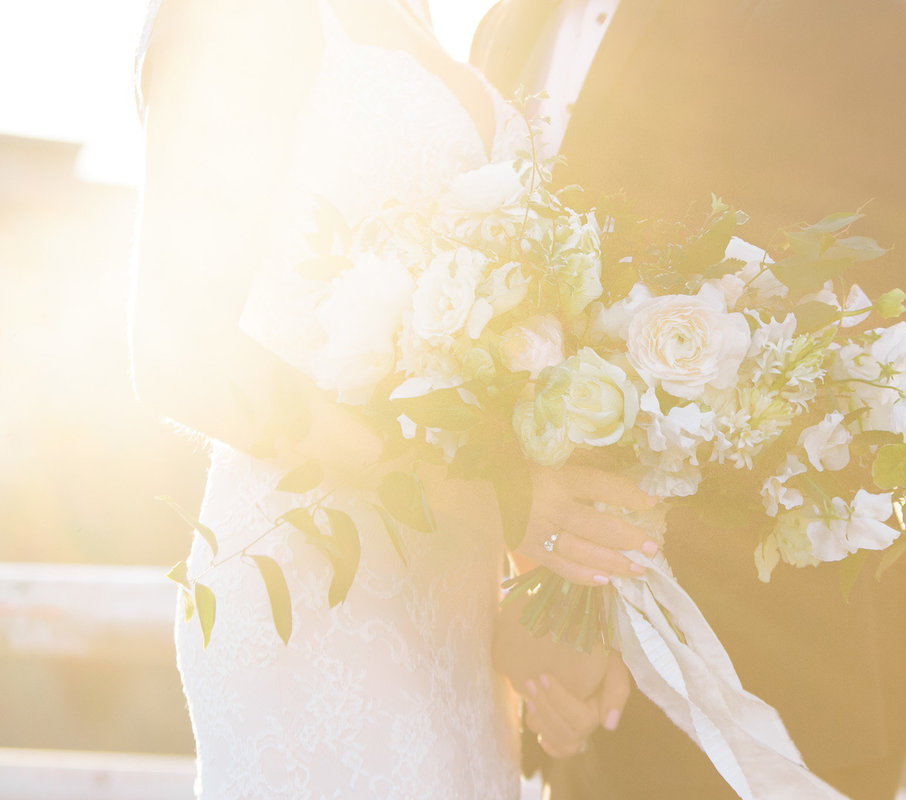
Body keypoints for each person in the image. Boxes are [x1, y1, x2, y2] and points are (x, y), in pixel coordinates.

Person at [130, 0, 644, 796]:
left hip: (455, 623)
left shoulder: (420, 20)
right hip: (312, 590)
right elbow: (178, 354)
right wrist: (498, 495)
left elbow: (475, 385)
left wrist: (557, 618)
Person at [473, 1, 906, 798]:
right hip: (582, 704)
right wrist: (538, 584)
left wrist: (584, 603)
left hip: (777, 682)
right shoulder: (509, 24)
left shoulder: (837, 18)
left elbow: (823, 353)